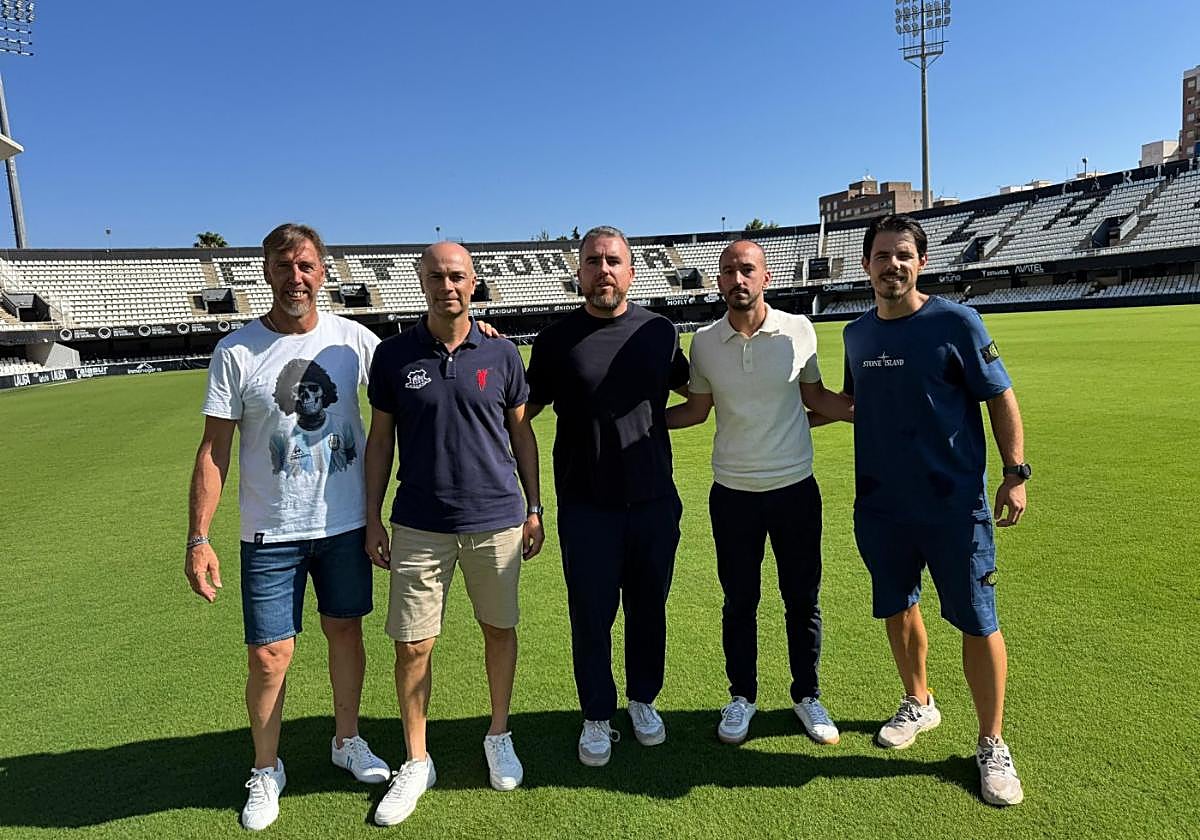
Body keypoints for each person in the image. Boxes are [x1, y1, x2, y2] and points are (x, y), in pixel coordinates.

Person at [185, 222, 390, 831]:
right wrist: (199, 536)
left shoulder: (354, 340)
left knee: (345, 633)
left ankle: (345, 739)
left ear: (323, 270)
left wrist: (473, 332)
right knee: (270, 655)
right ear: (266, 271)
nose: (295, 277)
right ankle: (267, 767)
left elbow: (414, 376)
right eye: (282, 266)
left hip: (345, 525)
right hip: (269, 533)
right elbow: (213, 450)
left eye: (305, 265)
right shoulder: (238, 351)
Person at [843, 214, 1029, 806]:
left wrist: (1014, 472)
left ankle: (992, 742)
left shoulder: (957, 322)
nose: (891, 265)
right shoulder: (855, 334)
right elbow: (855, 404)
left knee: (978, 619)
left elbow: (1000, 394)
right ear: (866, 264)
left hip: (954, 508)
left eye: (903, 255)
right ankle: (919, 702)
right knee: (897, 608)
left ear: (920, 262)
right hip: (880, 506)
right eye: (881, 256)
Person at [364, 241, 543, 826]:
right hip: (419, 523)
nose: (448, 286)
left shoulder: (503, 352)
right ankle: (416, 758)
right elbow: (380, 441)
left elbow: (522, 437)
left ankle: (498, 733)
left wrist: (535, 507)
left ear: (474, 283)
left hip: (496, 519)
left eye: (458, 276)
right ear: (421, 282)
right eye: (437, 276)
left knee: (499, 629)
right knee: (413, 644)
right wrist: (372, 515)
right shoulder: (392, 357)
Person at [666, 240, 853, 746]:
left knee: (802, 600)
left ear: (765, 277)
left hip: (795, 488)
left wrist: (871, 413)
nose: (737, 279)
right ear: (719, 281)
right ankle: (741, 697)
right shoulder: (703, 342)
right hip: (733, 493)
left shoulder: (798, 329)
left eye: (746, 269)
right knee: (739, 602)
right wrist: (638, 425)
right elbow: (696, 410)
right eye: (728, 271)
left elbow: (814, 398)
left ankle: (807, 695)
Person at [525, 225, 690, 767]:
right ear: (580, 272)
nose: (603, 270)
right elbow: (521, 413)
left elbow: (702, 395)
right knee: (591, 614)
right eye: (593, 261)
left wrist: (648, 426)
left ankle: (643, 700)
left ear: (631, 272)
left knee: (649, 609)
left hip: (652, 501)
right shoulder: (553, 341)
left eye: (613, 261)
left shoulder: (660, 333)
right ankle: (597, 713)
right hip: (586, 504)